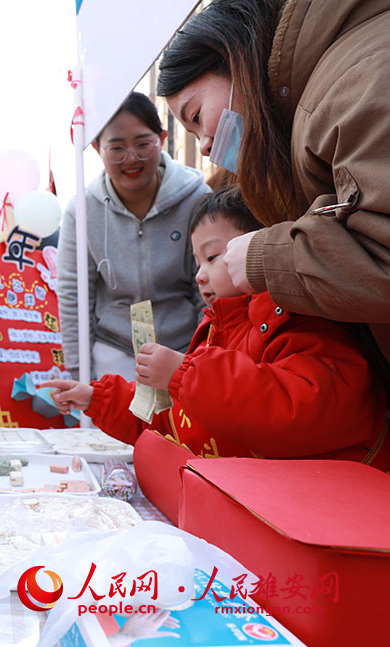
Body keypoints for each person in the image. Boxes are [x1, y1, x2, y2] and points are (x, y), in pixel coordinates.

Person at [43, 186, 389, 522]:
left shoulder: (302, 317)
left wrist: (182, 374)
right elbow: (176, 421)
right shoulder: (214, 330)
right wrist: (99, 398)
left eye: (212, 257)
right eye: (196, 261)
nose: (199, 275)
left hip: (321, 520)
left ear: (262, 244)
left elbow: (300, 407)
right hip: (245, 513)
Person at [156, 0, 390, 373]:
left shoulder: (359, 81)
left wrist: (265, 257)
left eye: (197, 116)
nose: (203, 145)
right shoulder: (314, 99)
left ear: (233, 58)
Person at [57, 92, 210, 383]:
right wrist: (79, 371)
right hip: (112, 353)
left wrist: (204, 354)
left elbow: (209, 286)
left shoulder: (197, 199)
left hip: (183, 350)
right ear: (96, 147)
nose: (131, 159)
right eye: (117, 148)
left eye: (143, 144)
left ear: (162, 138)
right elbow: (72, 293)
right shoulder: (82, 210)